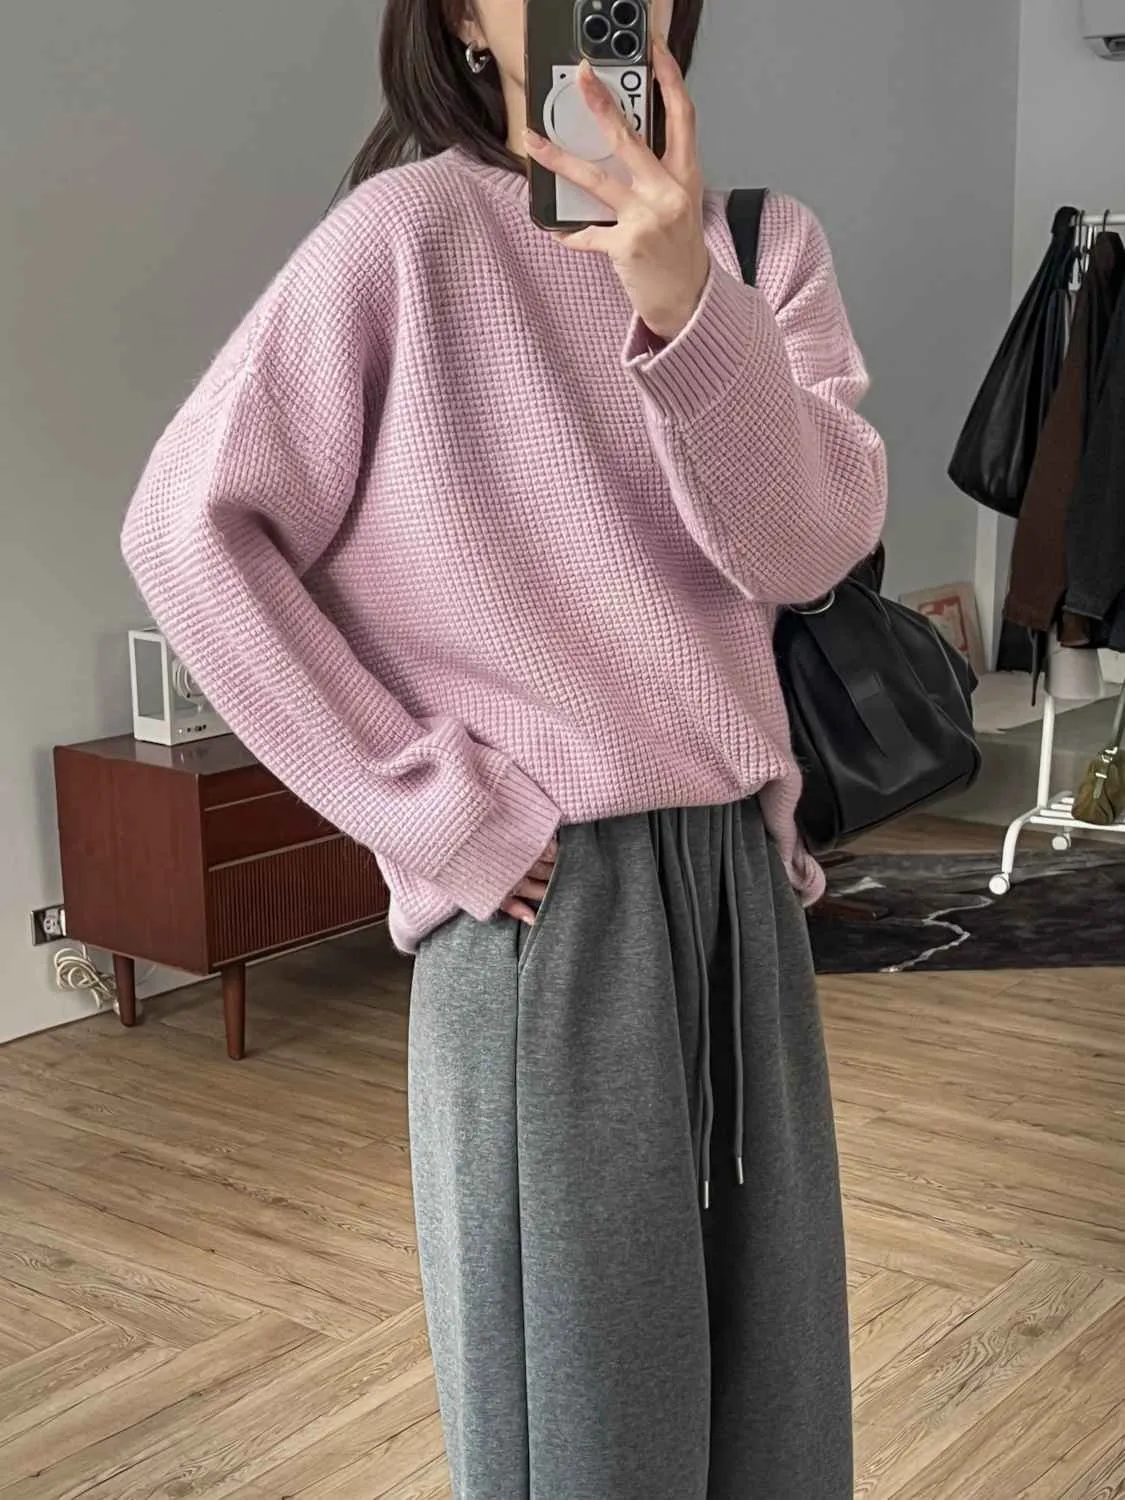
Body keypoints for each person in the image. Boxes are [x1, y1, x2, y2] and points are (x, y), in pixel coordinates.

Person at [122, 0, 887, 1494]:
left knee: (778, 1407)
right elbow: (187, 530)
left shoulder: (765, 246)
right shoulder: (402, 241)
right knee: (585, 1435)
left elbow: (810, 552)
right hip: (550, 907)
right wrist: (426, 805)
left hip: (740, 887)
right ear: (467, 16)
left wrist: (687, 306)